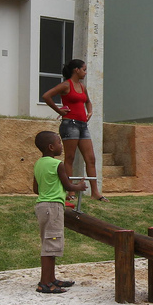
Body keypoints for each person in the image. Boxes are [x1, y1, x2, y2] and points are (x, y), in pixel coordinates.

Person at [41, 58, 107, 202]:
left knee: (91, 158)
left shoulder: (82, 86)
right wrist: (59, 110)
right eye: (84, 69)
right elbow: (46, 96)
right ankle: (70, 191)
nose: (85, 72)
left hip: (83, 125)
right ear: (76, 70)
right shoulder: (66, 85)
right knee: (70, 158)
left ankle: (95, 192)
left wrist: (89, 112)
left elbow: (88, 101)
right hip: (69, 124)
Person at [32, 131, 87, 294]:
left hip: (42, 206)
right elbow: (68, 185)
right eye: (58, 142)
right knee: (51, 245)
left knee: (49, 243)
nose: (61, 145)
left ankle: (51, 279)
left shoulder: (38, 164)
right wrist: (80, 186)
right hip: (53, 207)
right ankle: (44, 283)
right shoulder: (57, 165)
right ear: (51, 147)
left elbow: (36, 189)